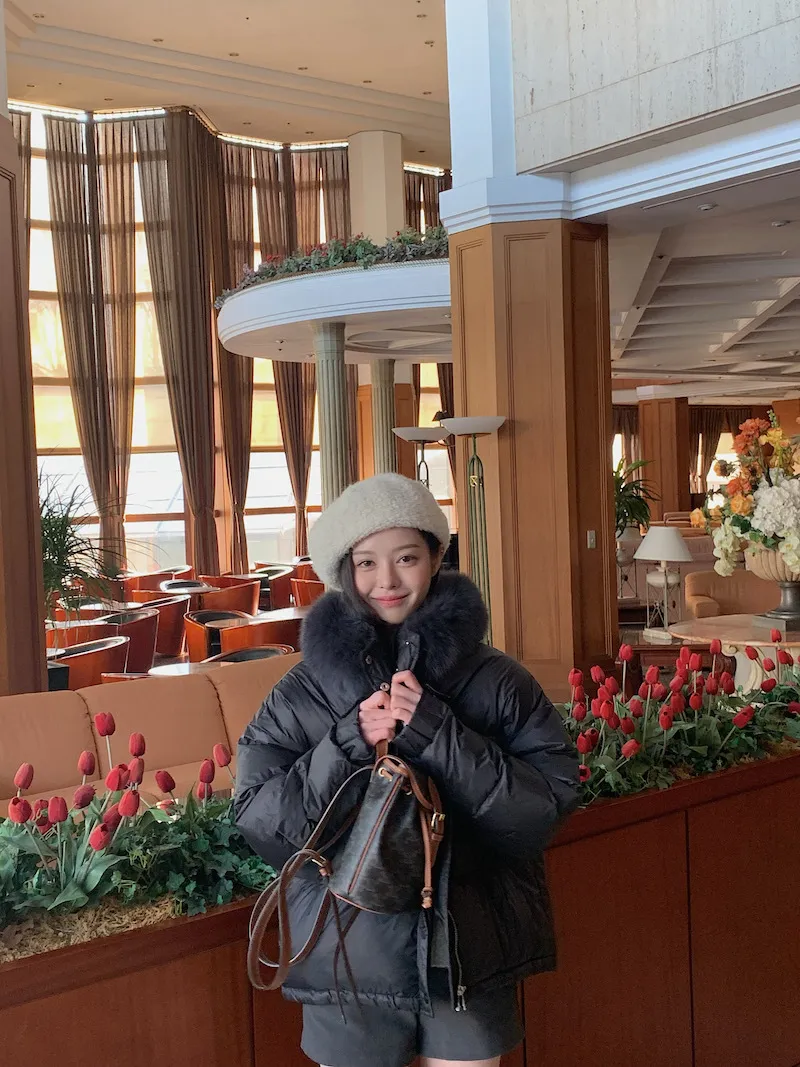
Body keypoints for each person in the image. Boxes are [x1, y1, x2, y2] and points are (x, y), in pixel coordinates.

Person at [235, 473, 579, 1067]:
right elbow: (261, 821)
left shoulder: (497, 680)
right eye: (366, 563)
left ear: (437, 557)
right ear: (343, 571)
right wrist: (346, 743)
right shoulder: (303, 692)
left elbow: (542, 810)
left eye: (406, 558)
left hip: (467, 953)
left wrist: (441, 735)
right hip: (345, 956)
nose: (387, 581)